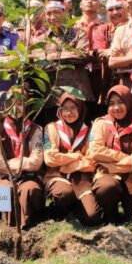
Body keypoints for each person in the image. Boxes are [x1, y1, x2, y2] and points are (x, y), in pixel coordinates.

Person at [0, 89, 45, 229]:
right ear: (5, 105)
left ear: (27, 105)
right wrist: (19, 163)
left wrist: (14, 163)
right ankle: (10, 226)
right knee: (5, 190)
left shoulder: (35, 129)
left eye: (20, 103)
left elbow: (36, 161)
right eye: (11, 102)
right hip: (5, 175)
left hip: (29, 175)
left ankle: (29, 222)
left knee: (29, 190)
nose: (15, 107)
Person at [88, 86, 132, 224]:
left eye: (121, 102)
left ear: (129, 102)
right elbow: (96, 151)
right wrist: (123, 157)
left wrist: (110, 164)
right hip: (106, 175)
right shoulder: (100, 123)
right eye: (111, 103)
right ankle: (110, 214)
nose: (116, 107)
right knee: (106, 188)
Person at [44, 91, 100, 225]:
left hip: (81, 180)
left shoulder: (90, 131)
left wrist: (65, 164)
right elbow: (50, 158)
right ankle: (60, 209)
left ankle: (74, 208)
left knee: (92, 217)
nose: (69, 113)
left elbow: (92, 161)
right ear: (60, 110)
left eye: (73, 108)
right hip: (57, 176)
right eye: (65, 108)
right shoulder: (50, 128)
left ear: (80, 108)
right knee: (64, 194)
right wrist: (76, 156)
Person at [34, 0, 94, 123]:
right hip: (53, 98)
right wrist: (69, 57)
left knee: (84, 132)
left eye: (56, 12)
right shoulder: (40, 40)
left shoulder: (77, 33)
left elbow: (82, 56)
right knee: (55, 135)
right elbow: (40, 65)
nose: (52, 17)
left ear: (64, 13)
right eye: (49, 13)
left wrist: (50, 57)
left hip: (79, 93)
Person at [92, 0, 128, 117]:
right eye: (111, 10)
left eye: (118, 8)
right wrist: (121, 53)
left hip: (130, 79)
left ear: (126, 8)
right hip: (107, 81)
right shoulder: (102, 29)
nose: (115, 12)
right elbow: (100, 52)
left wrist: (110, 52)